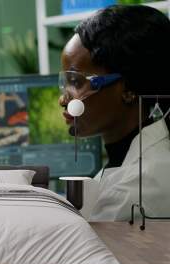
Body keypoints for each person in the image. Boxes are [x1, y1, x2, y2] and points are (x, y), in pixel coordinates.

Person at [59, 5, 170, 221]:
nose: (63, 99)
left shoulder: (132, 193)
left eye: (77, 82)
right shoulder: (130, 162)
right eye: (64, 83)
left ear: (128, 90)